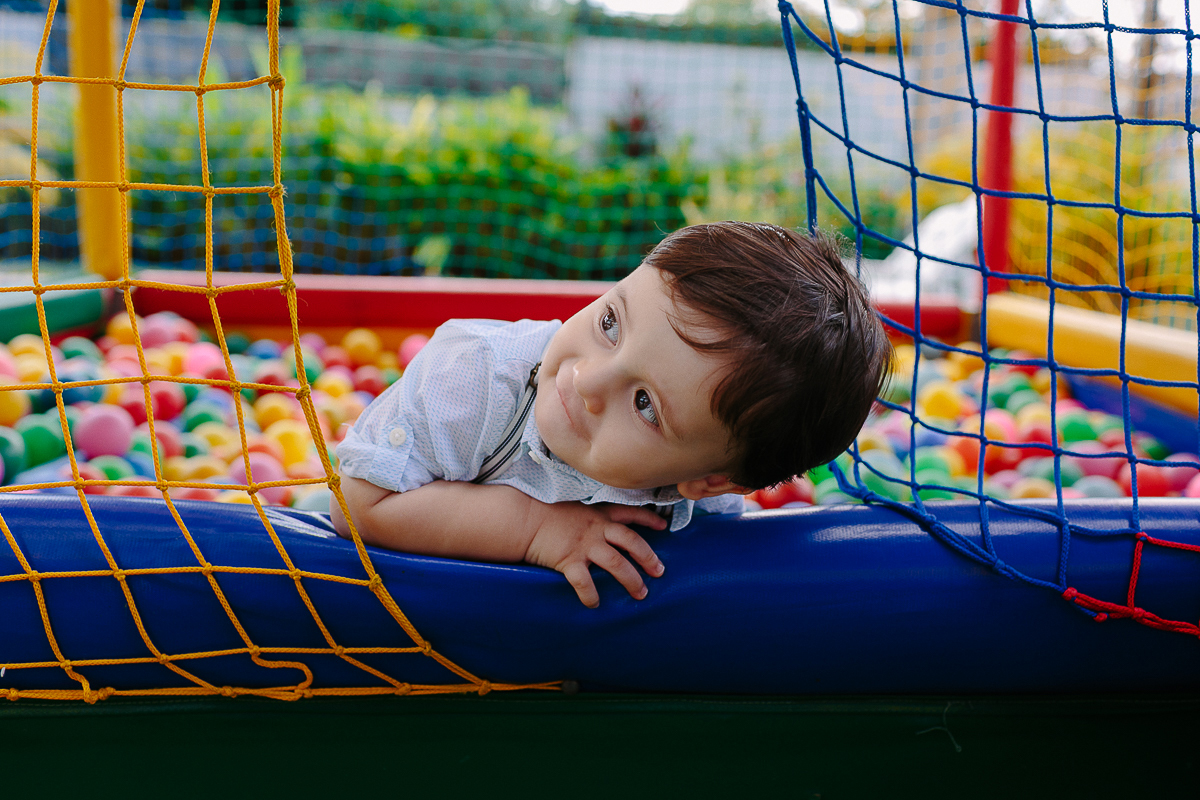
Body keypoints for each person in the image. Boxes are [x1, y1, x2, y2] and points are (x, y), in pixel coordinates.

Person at [330, 221, 892, 607]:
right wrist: (536, 529)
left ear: (709, 481)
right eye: (610, 324)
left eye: (645, 404)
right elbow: (357, 504)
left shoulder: (709, 504)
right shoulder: (475, 376)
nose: (587, 380)